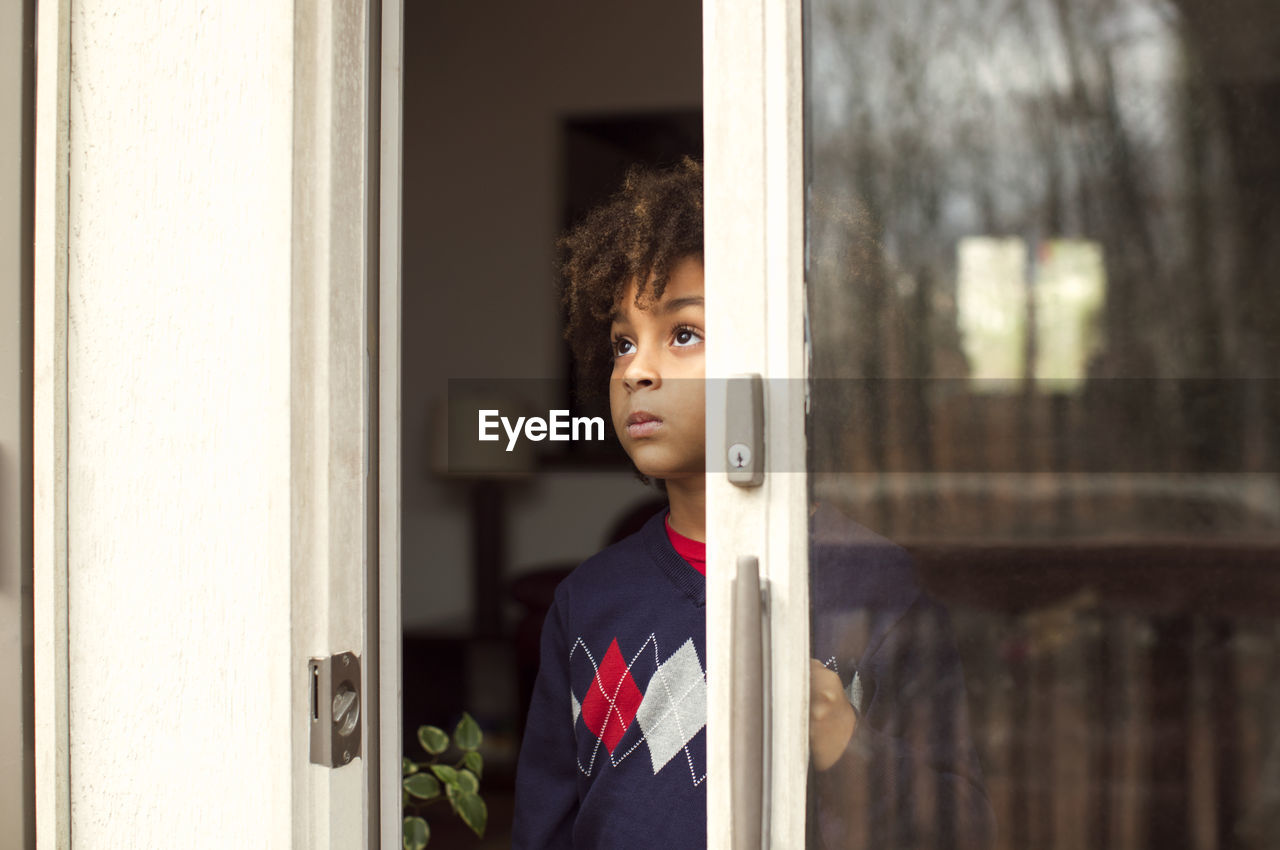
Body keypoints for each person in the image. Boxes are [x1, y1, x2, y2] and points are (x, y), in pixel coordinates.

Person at [512, 157, 995, 849]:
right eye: (623, 342)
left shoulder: (882, 590)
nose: (636, 370)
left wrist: (843, 742)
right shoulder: (589, 601)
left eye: (683, 334)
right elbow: (544, 829)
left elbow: (962, 828)